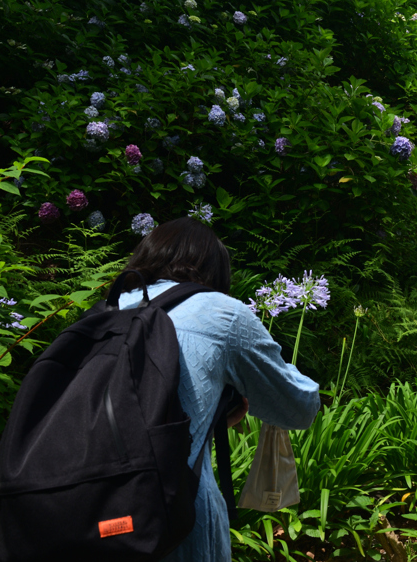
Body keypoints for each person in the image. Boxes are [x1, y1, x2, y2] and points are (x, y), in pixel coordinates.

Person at [117, 217, 320, 562]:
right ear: (215, 270)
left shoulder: (109, 308)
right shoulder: (222, 313)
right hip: (174, 517)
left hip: (91, 509)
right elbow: (297, 407)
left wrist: (210, 416)